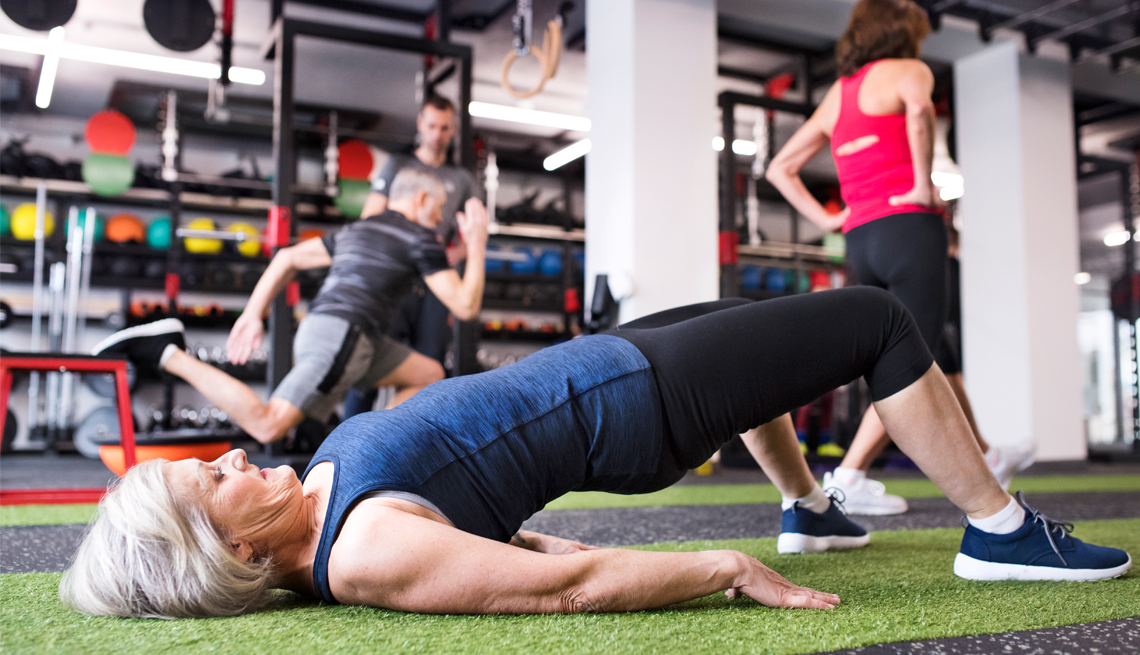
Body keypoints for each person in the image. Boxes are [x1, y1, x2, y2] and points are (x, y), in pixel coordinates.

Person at [62, 289, 1130, 619]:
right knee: (878, 323)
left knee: (771, 333)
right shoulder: (365, 549)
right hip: (640, 407)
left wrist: (513, 520)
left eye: (220, 460)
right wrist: (723, 567)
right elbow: (560, 587)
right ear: (235, 554)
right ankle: (1000, 533)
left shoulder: (330, 498)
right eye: (220, 482)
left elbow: (498, 516)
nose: (239, 461)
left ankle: (807, 503)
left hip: (615, 362)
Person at [764, 0, 1031, 515]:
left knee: (935, 354)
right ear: (903, 32)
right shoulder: (910, 71)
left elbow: (781, 167)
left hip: (861, 239)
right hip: (909, 228)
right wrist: (921, 186)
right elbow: (919, 112)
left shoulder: (837, 96)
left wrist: (828, 220)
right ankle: (850, 475)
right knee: (913, 353)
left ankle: (988, 455)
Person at [91, 169, 489, 444]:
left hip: (339, 333)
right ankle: (168, 353)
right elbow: (465, 305)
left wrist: (252, 314)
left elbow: (286, 258)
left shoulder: (359, 230)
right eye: (437, 211)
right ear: (420, 199)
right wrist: (478, 245)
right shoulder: (420, 238)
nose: (438, 222)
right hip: (343, 338)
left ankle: (376, 446)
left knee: (429, 372)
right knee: (268, 426)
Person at [345, 95, 478, 415]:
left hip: (434, 282)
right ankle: (348, 442)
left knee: (429, 371)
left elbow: (474, 229)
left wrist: (457, 253)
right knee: (367, 368)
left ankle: (398, 442)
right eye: (432, 126)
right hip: (395, 278)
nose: (437, 134)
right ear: (421, 124)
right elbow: (369, 219)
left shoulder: (461, 180)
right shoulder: (398, 166)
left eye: (445, 128)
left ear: (453, 129)